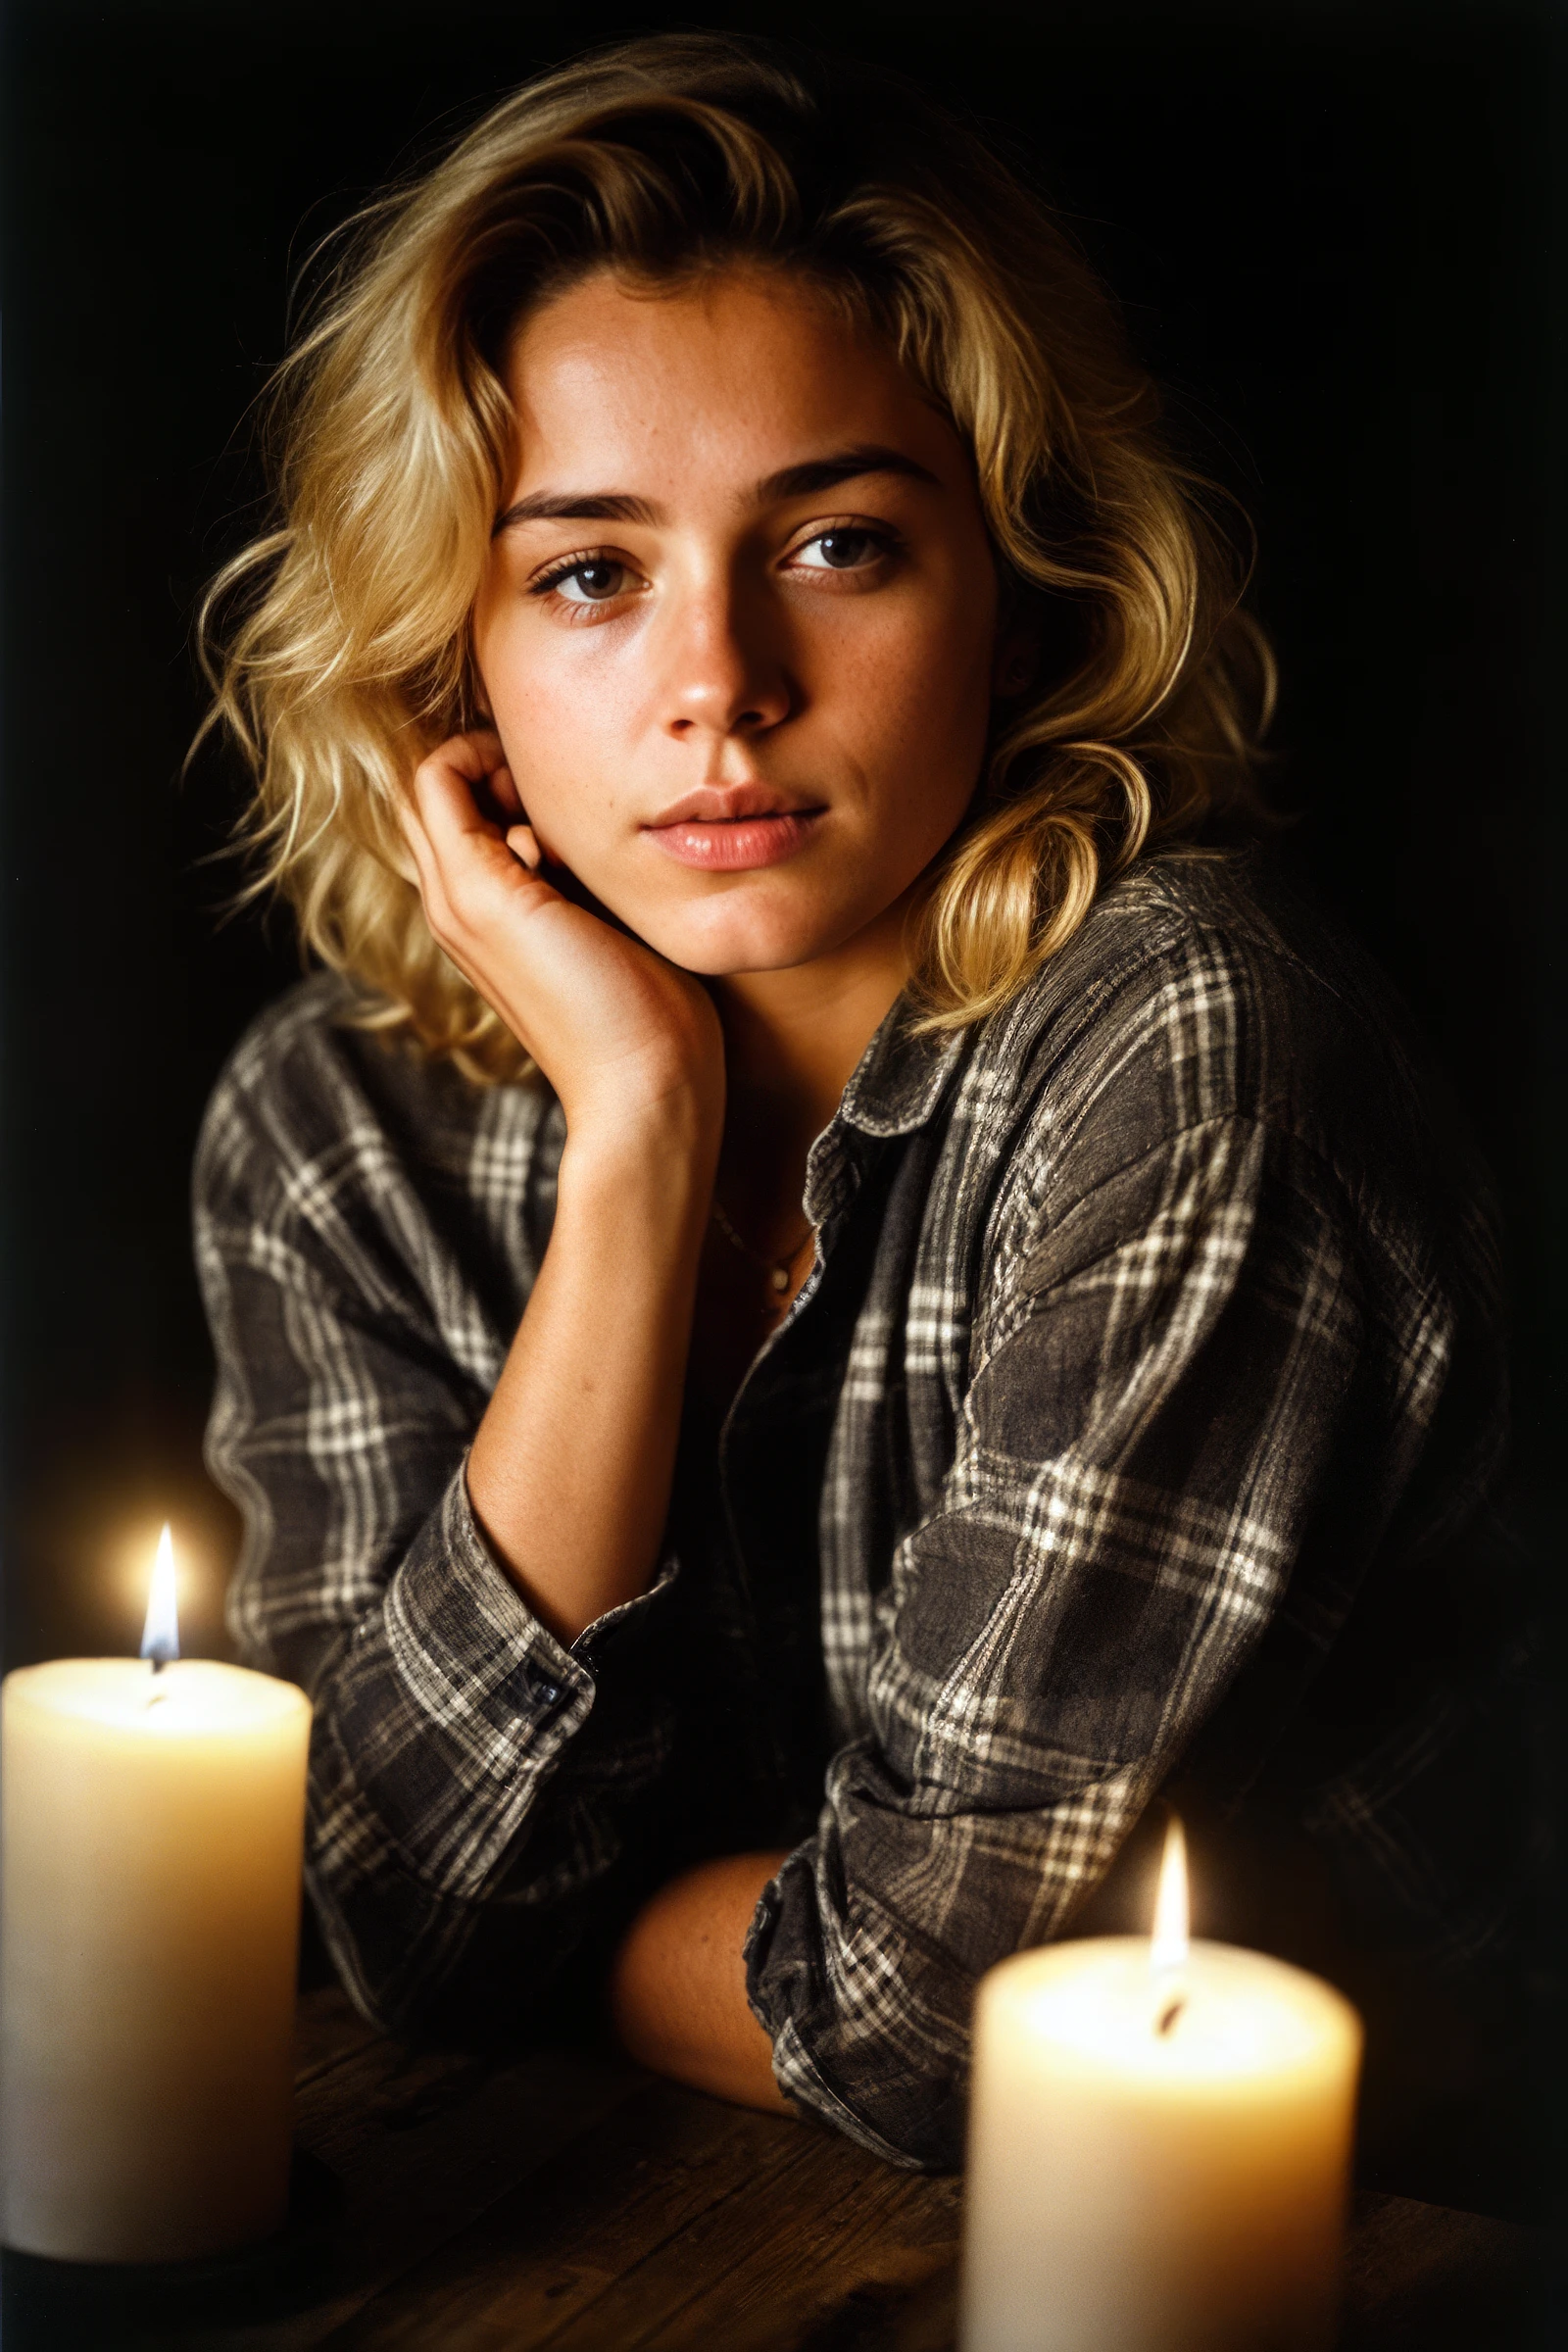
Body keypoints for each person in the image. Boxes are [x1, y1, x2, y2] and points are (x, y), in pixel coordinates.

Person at [191, 31, 1534, 2177]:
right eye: (588, 572)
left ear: (1013, 600)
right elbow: (380, 1894)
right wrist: (637, 1134)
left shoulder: (1189, 1064)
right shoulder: (341, 1131)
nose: (717, 680)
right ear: (455, 669)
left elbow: (933, 2020)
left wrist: (523, 1938)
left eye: (831, 544)